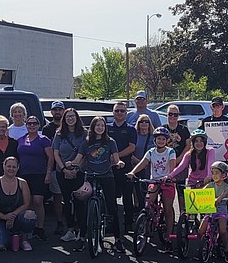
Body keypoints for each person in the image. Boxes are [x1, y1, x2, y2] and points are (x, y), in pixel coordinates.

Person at [75, 117, 126, 253]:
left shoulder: (110, 142)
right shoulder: (86, 143)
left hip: (106, 175)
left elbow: (116, 158)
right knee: (85, 207)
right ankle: (81, 238)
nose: (100, 128)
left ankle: (118, 239)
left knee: (112, 206)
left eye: (102, 125)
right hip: (90, 176)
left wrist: (119, 163)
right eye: (97, 125)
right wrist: (72, 163)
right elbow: (78, 158)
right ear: (93, 127)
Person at [130, 126, 177, 247]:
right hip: (154, 181)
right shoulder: (151, 152)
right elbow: (143, 163)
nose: (160, 141)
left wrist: (169, 177)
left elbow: (172, 167)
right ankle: (147, 221)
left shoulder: (170, 152)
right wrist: (133, 172)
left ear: (167, 140)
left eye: (163, 139)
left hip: (167, 182)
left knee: (167, 208)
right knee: (148, 201)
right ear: (154, 140)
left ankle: (168, 235)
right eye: (158, 139)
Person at [0, 156, 38, 251]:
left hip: (16, 217)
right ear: (4, 167)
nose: (11, 169)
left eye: (14, 167)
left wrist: (12, 216)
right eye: (9, 166)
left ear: (18, 168)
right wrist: (4, 217)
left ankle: (24, 240)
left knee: (30, 215)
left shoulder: (22, 183)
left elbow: (26, 204)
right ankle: (6, 236)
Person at [53, 108, 88, 241]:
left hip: (79, 172)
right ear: (64, 119)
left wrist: (76, 168)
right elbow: (55, 153)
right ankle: (70, 230)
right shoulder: (59, 133)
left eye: (73, 116)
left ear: (77, 118)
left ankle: (82, 231)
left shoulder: (84, 133)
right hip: (62, 172)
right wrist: (64, 170)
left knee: (80, 202)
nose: (70, 119)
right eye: (68, 117)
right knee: (67, 202)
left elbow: (86, 153)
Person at [17, 115, 54, 241]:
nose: (32, 126)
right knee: (28, 202)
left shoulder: (44, 140)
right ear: (26, 125)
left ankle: (40, 228)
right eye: (29, 123)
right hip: (24, 175)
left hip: (39, 174)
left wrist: (48, 173)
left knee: (38, 201)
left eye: (34, 123)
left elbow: (50, 157)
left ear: (38, 125)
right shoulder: (21, 139)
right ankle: (29, 228)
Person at [197, 161, 228, 262]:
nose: (214, 175)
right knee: (201, 230)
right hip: (210, 208)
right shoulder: (211, 185)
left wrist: (219, 198)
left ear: (224, 175)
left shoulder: (226, 186)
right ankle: (202, 247)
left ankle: (227, 250)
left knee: (223, 230)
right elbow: (203, 191)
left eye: (217, 173)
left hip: (221, 209)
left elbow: (226, 192)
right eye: (213, 173)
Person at [107, 101, 138, 230]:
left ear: (126, 113)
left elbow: (132, 147)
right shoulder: (107, 128)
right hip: (109, 168)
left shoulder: (131, 129)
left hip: (125, 167)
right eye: (117, 111)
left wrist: (116, 156)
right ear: (113, 113)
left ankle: (128, 223)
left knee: (127, 197)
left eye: (122, 111)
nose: (119, 113)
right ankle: (111, 223)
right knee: (111, 197)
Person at [41, 101, 67, 234]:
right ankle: (59, 223)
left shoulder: (69, 126)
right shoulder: (47, 128)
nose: (57, 112)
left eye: (60, 110)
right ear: (51, 112)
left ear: (64, 111)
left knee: (71, 197)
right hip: (55, 167)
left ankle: (73, 224)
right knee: (57, 197)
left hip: (70, 167)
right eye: (55, 110)